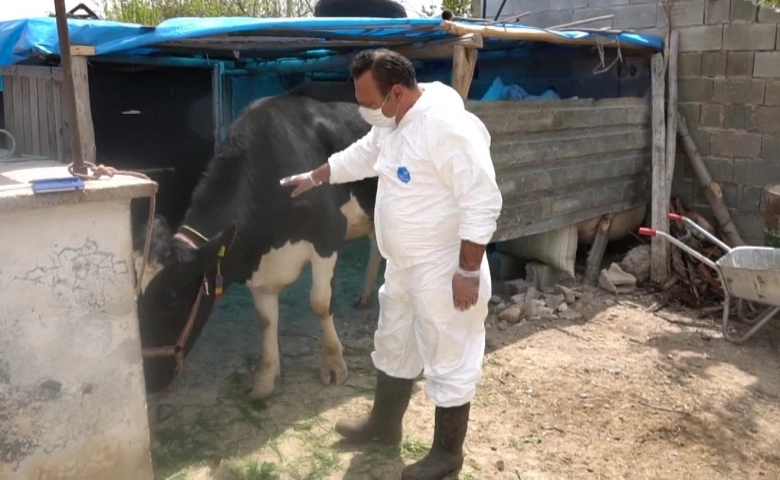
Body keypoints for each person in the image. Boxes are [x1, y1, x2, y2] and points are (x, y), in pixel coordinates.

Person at [279, 48, 502, 480]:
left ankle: (447, 455)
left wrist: (469, 271)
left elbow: (482, 200)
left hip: (444, 266)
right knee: (394, 341)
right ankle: (384, 427)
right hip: (403, 264)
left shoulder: (446, 128)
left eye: (367, 102)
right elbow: (364, 152)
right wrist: (318, 175)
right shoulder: (394, 122)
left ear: (396, 92)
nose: (362, 111)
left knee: (449, 353)